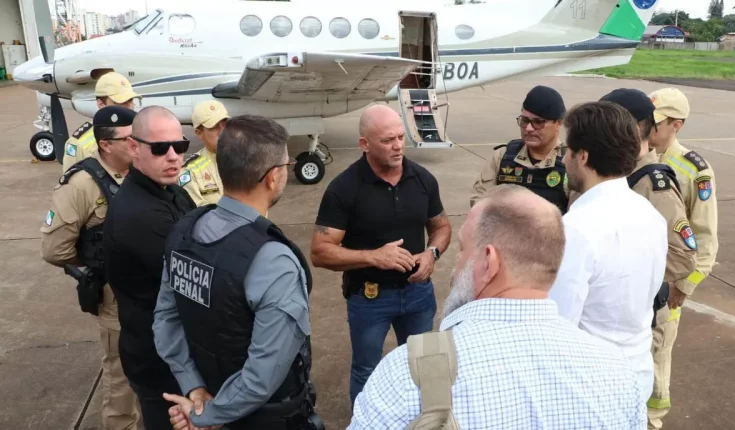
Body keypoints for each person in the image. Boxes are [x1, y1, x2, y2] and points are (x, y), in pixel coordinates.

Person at [348, 184, 647, 429]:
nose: (455, 265)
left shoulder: (406, 374)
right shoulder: (618, 373)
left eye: (464, 249)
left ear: (489, 261)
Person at [154, 114, 323, 430]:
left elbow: (165, 320)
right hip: (267, 419)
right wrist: (208, 415)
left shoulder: (184, 232)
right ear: (273, 177)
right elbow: (262, 375)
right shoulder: (274, 261)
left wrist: (195, 390)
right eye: (286, 167)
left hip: (210, 395)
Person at [310, 104, 452, 407]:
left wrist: (432, 252)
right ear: (365, 144)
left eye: (401, 137)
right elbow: (320, 252)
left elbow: (441, 226)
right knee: (366, 370)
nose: (398, 146)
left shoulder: (423, 179)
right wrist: (374, 257)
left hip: (418, 294)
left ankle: (426, 424)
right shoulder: (344, 189)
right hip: (369, 299)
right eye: (388, 140)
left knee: (425, 367)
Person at [548, 101, 668, 406]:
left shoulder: (575, 228)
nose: (563, 159)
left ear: (583, 156)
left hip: (588, 388)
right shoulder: (650, 214)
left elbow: (559, 325)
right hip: (636, 375)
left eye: (567, 151)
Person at [40, 105, 141, 429]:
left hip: (152, 291)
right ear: (105, 145)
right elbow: (55, 249)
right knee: (121, 377)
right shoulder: (81, 184)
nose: (135, 145)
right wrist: (96, 261)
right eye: (127, 140)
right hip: (115, 298)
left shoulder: (141, 171)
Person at [103, 106, 196, 429]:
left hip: (173, 352)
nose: (172, 156)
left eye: (179, 146)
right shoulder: (139, 213)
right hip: (160, 362)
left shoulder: (170, 191)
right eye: (159, 148)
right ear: (133, 148)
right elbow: (197, 279)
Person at [647, 87, 719, 428]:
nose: (649, 129)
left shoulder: (692, 170)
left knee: (657, 359)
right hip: (637, 276)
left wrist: (684, 288)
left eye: (657, 124)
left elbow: (704, 238)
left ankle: (652, 421)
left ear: (676, 125)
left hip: (667, 282)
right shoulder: (639, 158)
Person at [600, 89, 698, 320]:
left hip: (637, 313)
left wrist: (610, 268)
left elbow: (683, 256)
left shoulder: (653, 185)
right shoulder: (611, 171)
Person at [469, 85, 569, 213]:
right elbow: (480, 204)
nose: (528, 128)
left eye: (538, 122)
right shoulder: (502, 157)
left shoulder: (570, 163)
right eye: (525, 120)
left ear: (558, 123)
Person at [62, 72, 142, 172]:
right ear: (101, 104)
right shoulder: (77, 144)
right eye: (120, 102)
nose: (129, 107)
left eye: (130, 100)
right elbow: (72, 183)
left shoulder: (144, 133)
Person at [178, 100, 230, 206]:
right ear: (199, 133)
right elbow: (196, 214)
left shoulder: (246, 160)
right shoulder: (190, 171)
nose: (222, 131)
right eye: (214, 127)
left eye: (225, 124)